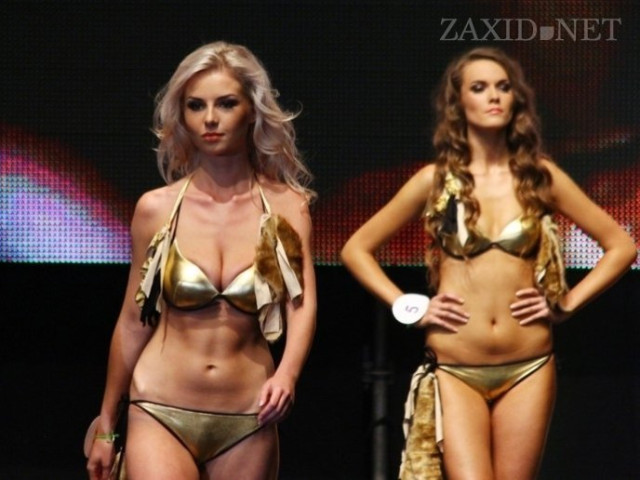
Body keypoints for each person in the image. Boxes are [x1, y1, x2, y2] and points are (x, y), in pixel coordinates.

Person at [341, 47, 636, 480]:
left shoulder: (540, 177)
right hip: (456, 367)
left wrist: (566, 303)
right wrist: (412, 307)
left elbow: (621, 246)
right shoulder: (435, 180)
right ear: (458, 102)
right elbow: (355, 249)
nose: (494, 96)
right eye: (479, 88)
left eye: (503, 87)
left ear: (516, 100)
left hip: (529, 365)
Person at [86, 41, 317, 480]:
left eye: (226, 103)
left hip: (249, 413)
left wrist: (288, 375)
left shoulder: (288, 207)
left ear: (252, 112)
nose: (210, 118)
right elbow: (133, 321)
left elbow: (301, 305)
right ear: (182, 116)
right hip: (159, 407)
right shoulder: (156, 209)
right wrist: (106, 424)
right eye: (196, 106)